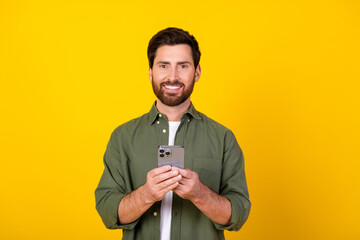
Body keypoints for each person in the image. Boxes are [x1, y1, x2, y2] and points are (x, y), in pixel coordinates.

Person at [95, 27, 251, 240]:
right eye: (163, 66)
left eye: (183, 66)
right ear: (150, 71)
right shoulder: (122, 137)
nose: (173, 76)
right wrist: (147, 194)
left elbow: (239, 215)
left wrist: (200, 194)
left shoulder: (223, 138)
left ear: (197, 72)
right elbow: (107, 211)